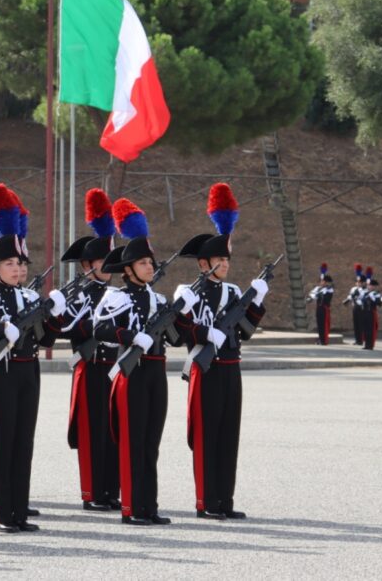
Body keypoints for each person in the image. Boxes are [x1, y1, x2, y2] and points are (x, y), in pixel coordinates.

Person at [0, 184, 67, 534]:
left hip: (27, 372)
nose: (17, 268)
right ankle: (0, 512)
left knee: (23, 442)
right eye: (10, 263)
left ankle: (18, 510)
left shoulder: (27, 296)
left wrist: (54, 316)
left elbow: (46, 338)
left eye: (20, 262)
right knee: (0, 442)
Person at [175, 183, 269, 520]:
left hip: (231, 368)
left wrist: (256, 303)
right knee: (206, 434)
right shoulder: (188, 292)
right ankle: (205, 501)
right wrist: (202, 331)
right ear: (204, 263)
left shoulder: (233, 292)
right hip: (205, 369)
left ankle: (224, 501)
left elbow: (244, 331)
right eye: (219, 259)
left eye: (227, 259)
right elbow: (176, 330)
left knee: (229, 435)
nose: (225, 264)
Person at [93, 198, 178, 526]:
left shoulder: (158, 298)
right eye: (143, 263)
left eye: (150, 263)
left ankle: (149, 506)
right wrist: (130, 336)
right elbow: (101, 329)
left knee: (151, 443)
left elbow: (177, 338)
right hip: (132, 373)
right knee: (132, 441)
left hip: (157, 373)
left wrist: (178, 315)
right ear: (127, 269)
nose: (149, 267)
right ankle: (131, 508)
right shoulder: (116, 296)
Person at [63, 188, 120, 512]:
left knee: (113, 430)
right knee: (92, 432)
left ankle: (111, 490)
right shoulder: (77, 295)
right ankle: (92, 492)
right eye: (102, 261)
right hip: (90, 367)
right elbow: (69, 329)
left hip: (113, 367)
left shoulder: (114, 293)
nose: (107, 267)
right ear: (87, 264)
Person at [306, 264, 334, 345]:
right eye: (321, 281)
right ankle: (320, 338)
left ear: (326, 282)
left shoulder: (329, 289)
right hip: (319, 308)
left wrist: (319, 293)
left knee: (324, 324)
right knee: (319, 324)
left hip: (325, 308)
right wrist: (312, 296)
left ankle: (324, 340)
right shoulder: (318, 288)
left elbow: (327, 295)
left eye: (323, 281)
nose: (322, 283)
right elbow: (312, 293)